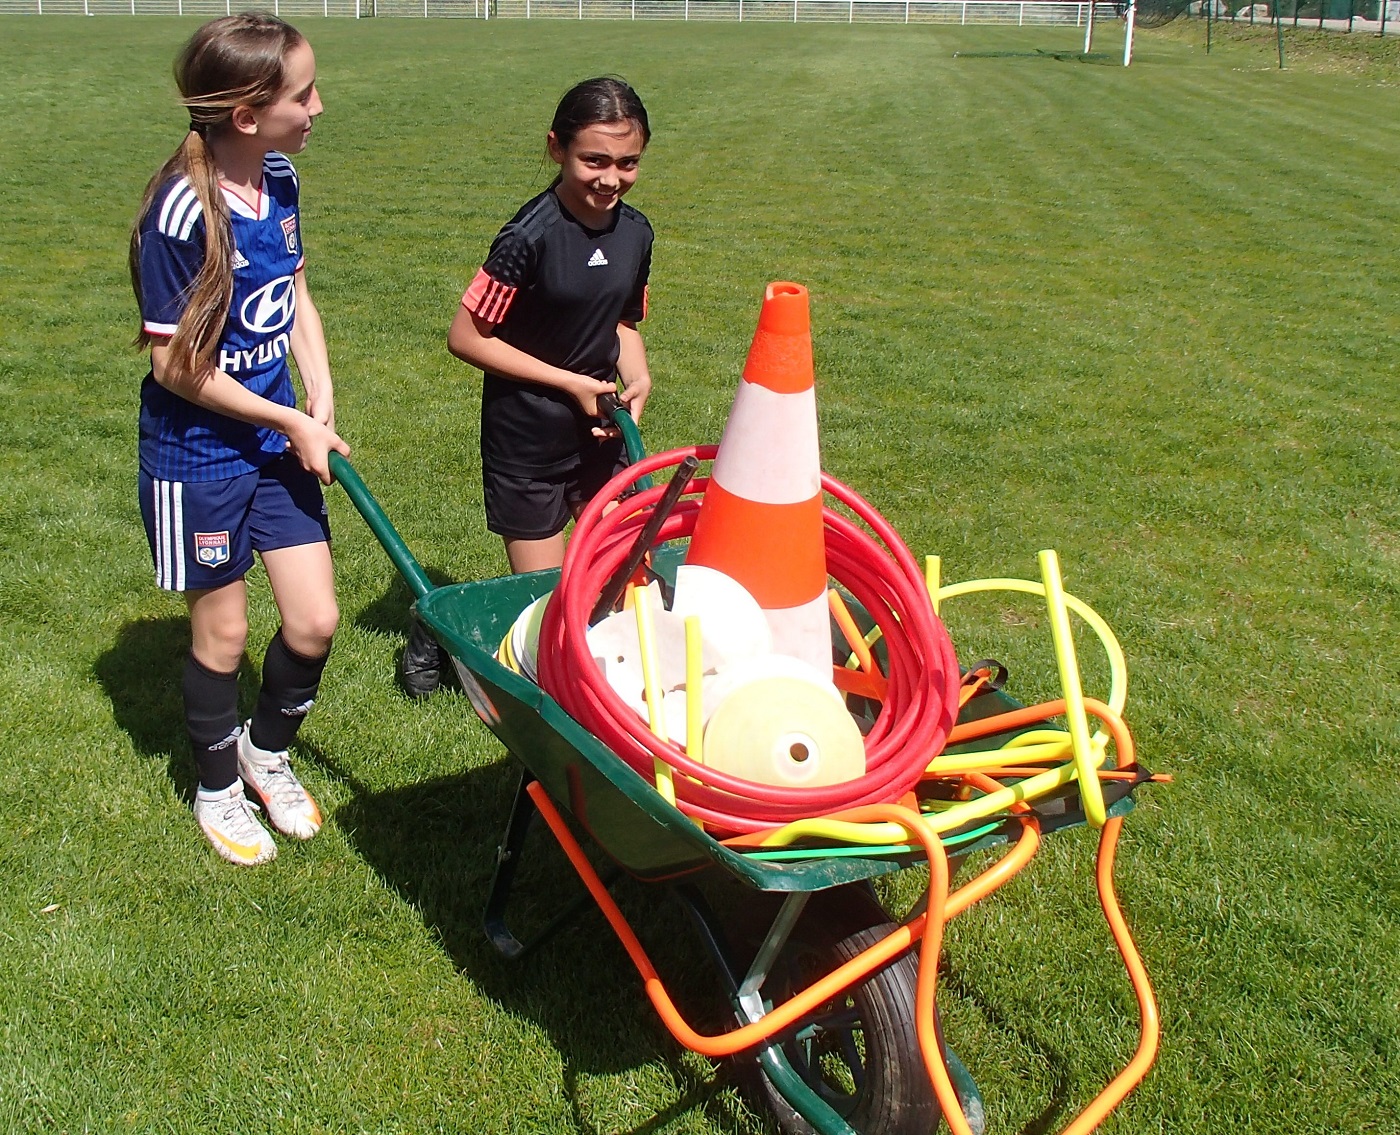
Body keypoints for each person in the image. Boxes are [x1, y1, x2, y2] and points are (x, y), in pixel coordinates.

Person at [129, 13, 349, 866]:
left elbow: (293, 293)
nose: (319, 107)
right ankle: (217, 788)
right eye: (304, 94)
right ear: (248, 115)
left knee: (315, 620)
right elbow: (175, 364)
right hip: (198, 454)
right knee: (223, 637)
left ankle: (265, 752)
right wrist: (289, 419)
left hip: (270, 440)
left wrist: (318, 387)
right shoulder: (180, 211)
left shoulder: (280, 175)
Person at [399, 77, 655, 697]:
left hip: (601, 431)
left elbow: (623, 322)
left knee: (627, 581)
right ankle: (438, 626)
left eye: (627, 163)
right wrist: (570, 384)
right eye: (594, 160)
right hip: (528, 438)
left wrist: (638, 376)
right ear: (556, 149)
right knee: (548, 606)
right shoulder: (528, 238)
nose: (611, 179)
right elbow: (466, 336)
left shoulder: (636, 232)